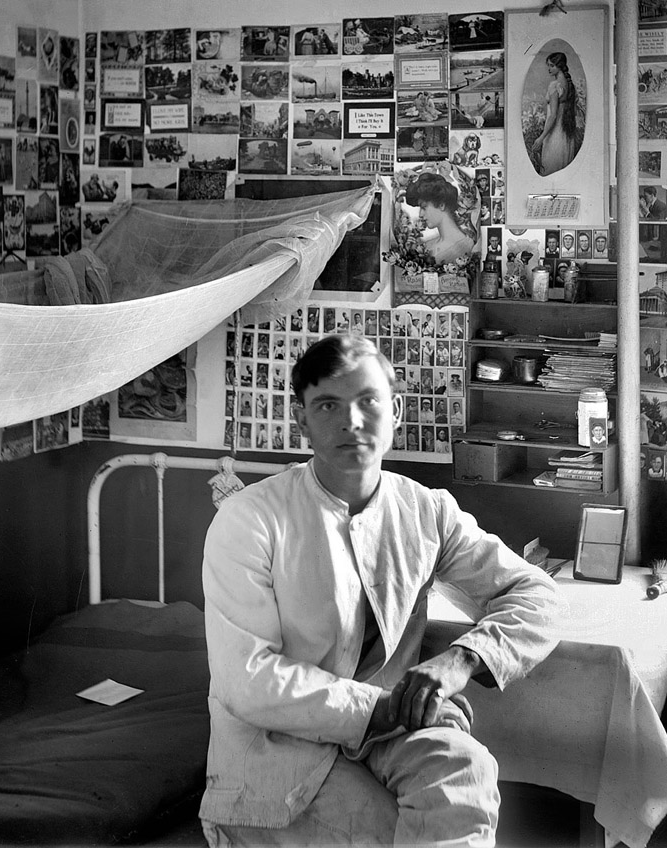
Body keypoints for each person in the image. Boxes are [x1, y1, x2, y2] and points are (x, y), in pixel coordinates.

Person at [199, 335, 562, 847]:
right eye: (328, 405)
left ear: (394, 411)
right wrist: (381, 708)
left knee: (467, 771)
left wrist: (459, 661)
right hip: (280, 743)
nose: (352, 421)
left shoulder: (426, 510)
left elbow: (537, 594)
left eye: (368, 401)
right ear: (301, 421)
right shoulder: (251, 521)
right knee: (388, 831)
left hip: (390, 733)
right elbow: (248, 681)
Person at [404, 172, 475, 266]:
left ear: (441, 205)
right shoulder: (427, 245)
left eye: (424, 207)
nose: (420, 214)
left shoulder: (466, 246)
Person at [531, 52, 578, 176]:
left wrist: (541, 137)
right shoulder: (568, 84)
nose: (549, 69)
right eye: (548, 65)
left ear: (560, 66)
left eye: (552, 66)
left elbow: (553, 115)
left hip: (554, 133)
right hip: (566, 133)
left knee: (551, 167)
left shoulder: (554, 85)